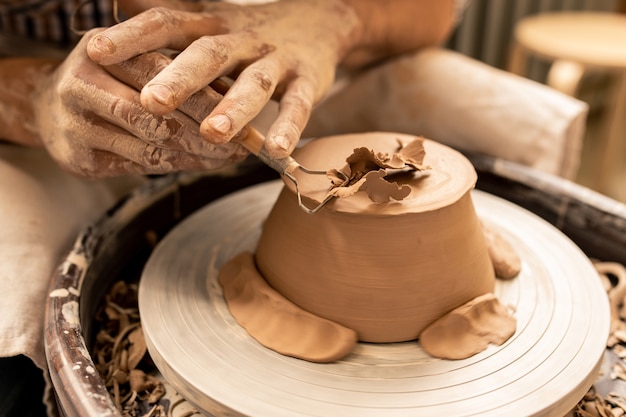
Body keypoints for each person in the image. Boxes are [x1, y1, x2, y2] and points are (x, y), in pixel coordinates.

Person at [0, 0, 463, 415]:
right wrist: (33, 98)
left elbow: (435, 11)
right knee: (14, 317)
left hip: (319, 50)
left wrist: (341, 19)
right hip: (52, 79)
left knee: (497, 108)